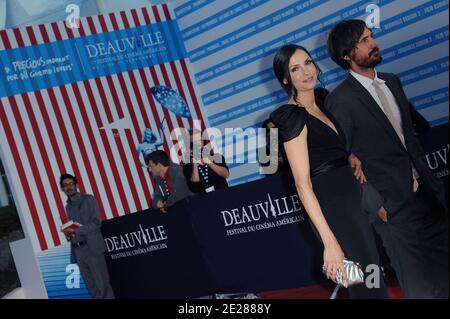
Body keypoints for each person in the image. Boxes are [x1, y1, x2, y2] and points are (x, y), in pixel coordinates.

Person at [325, 19, 448, 298]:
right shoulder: (340, 101)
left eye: (372, 37)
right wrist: (374, 203)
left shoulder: (392, 81)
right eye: (365, 41)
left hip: (428, 195)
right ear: (347, 55)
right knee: (419, 285)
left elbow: (411, 132)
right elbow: (342, 162)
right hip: (391, 206)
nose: (374, 43)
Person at [269, 44, 388, 298]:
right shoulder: (291, 117)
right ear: (285, 79)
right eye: (295, 69)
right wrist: (329, 242)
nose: (306, 72)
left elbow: (331, 146)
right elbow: (302, 184)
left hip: (353, 197)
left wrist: (350, 156)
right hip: (333, 208)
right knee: (367, 286)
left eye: (308, 63)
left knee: (373, 276)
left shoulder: (322, 100)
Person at [59, 173, 115, 299]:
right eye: (65, 185)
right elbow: (72, 229)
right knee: (92, 289)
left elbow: (96, 223)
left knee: (102, 286)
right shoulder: (67, 207)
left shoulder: (88, 199)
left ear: (76, 185)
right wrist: (68, 233)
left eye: (71, 184)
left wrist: (76, 231)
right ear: (62, 189)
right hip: (78, 251)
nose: (69, 187)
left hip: (92, 248)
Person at [183, 129, 229, 194]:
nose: (198, 144)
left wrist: (209, 162)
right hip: (205, 201)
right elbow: (194, 188)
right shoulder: (188, 167)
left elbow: (226, 174)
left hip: (224, 195)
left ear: (203, 142)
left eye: (200, 141)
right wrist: (195, 165)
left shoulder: (216, 157)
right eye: (194, 142)